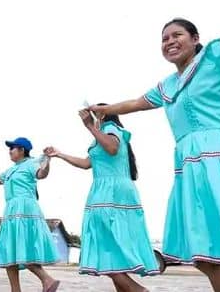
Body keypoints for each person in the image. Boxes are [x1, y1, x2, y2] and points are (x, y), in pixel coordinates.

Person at [90, 12, 220, 292]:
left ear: (195, 40)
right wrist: (105, 110)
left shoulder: (215, 55)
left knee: (218, 255)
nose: (169, 41)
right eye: (164, 38)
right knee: (206, 257)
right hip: (191, 167)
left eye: (177, 35)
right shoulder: (167, 85)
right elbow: (136, 102)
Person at [45, 106, 158, 292]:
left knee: (104, 248)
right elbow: (86, 163)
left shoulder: (110, 128)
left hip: (111, 192)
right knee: (113, 250)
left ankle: (139, 290)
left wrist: (90, 125)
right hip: (106, 190)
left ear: (102, 114)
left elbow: (113, 148)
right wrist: (59, 154)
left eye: (95, 113)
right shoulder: (100, 136)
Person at [0, 137, 60, 292]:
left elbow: (42, 174)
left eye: (12, 148)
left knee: (23, 248)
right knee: (10, 251)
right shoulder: (11, 169)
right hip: (11, 210)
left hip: (25, 209)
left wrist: (48, 160)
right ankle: (16, 289)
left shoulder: (31, 163)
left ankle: (46, 279)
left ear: (22, 150)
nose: (10, 151)